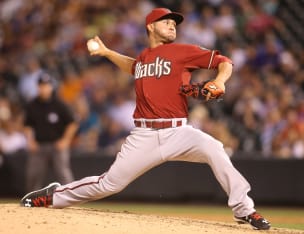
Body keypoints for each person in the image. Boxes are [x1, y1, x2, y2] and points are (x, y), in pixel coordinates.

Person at [20, 8, 271, 230]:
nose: (172, 24)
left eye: (174, 23)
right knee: (109, 185)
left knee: (215, 149)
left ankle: (244, 209)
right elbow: (133, 66)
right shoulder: (143, 58)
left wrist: (219, 80)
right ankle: (53, 195)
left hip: (179, 132)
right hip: (144, 136)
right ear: (150, 26)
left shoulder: (183, 51)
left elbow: (224, 62)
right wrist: (107, 52)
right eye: (166, 21)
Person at [23, 72, 78, 192]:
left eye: (46, 85)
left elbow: (72, 123)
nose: (43, 88)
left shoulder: (59, 104)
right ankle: (30, 200)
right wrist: (30, 141)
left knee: (63, 173)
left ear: (51, 87)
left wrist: (65, 140)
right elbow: (27, 125)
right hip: (39, 145)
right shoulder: (32, 105)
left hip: (57, 145)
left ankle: (71, 197)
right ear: (38, 87)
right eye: (41, 85)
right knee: (33, 175)